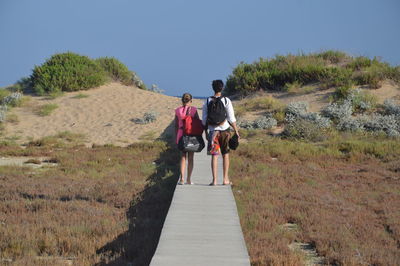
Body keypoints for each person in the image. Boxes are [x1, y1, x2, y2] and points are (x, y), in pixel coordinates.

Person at [202, 80, 240, 186]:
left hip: (213, 132)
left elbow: (204, 120)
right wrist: (236, 131)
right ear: (222, 88)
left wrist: (205, 131)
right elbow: (231, 118)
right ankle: (225, 179)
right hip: (225, 131)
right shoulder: (226, 100)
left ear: (213, 88)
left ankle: (214, 181)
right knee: (225, 154)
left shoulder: (207, 100)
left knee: (214, 155)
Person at [175, 93, 200, 185]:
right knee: (191, 157)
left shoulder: (178, 110)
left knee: (182, 157)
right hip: (192, 135)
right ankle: (188, 179)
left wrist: (176, 137)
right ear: (191, 101)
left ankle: (181, 179)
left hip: (181, 134)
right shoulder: (193, 110)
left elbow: (176, 125)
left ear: (182, 100)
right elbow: (197, 122)